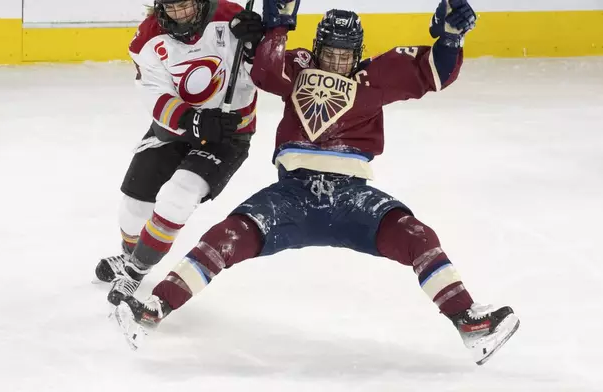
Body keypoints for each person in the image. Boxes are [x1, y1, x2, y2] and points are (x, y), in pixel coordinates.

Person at [111, 0, 520, 365]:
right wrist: (275, 27)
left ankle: (468, 321)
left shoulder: (377, 75)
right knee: (226, 237)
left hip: (355, 199)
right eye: (330, 52)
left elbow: (434, 71)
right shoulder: (299, 66)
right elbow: (266, 70)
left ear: (358, 54)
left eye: (345, 55)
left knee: (419, 236)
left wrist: (450, 37)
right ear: (317, 48)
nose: (337, 62)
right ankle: (154, 308)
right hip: (292, 196)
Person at [95, 0, 264, 307]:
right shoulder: (147, 38)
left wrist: (256, 49)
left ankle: (136, 270)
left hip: (227, 135)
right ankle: (130, 253)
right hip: (175, 129)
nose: (182, 14)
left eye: (187, 4)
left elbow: (262, 77)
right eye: (173, 7)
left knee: (178, 195)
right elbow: (154, 92)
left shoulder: (230, 17)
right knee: (133, 207)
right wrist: (192, 120)